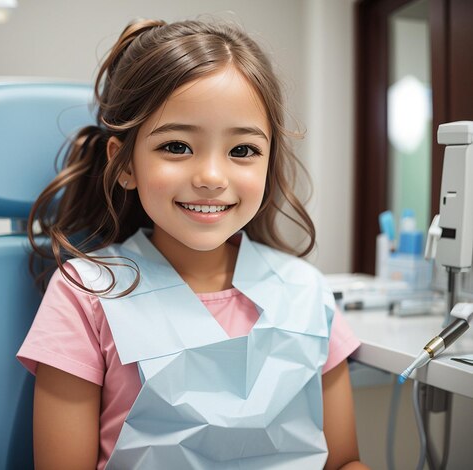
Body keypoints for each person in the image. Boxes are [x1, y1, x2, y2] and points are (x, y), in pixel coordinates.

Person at [18, 18, 368, 470]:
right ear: (124, 164)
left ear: (268, 163)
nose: (211, 178)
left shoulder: (306, 292)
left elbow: (343, 462)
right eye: (177, 146)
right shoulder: (87, 293)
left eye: (242, 151)